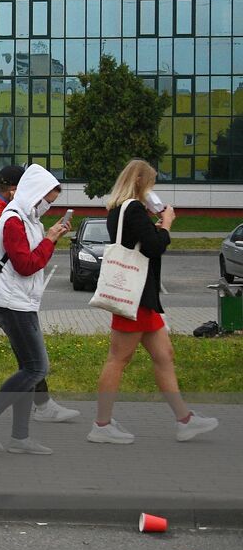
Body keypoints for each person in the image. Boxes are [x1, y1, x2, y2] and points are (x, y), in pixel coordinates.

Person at [89, 159, 218, 445]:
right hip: (134, 297)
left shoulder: (121, 209)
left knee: (164, 356)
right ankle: (101, 424)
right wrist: (166, 224)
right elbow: (154, 247)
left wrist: (155, 226)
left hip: (142, 298)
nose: (153, 189)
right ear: (140, 182)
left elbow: (143, 241)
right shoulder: (132, 209)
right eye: (151, 183)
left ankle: (185, 420)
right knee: (118, 359)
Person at [0, 165, 78, 423]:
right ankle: (41, 405)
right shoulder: (7, 214)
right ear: (14, 191)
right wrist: (48, 239)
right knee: (26, 346)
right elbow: (20, 259)